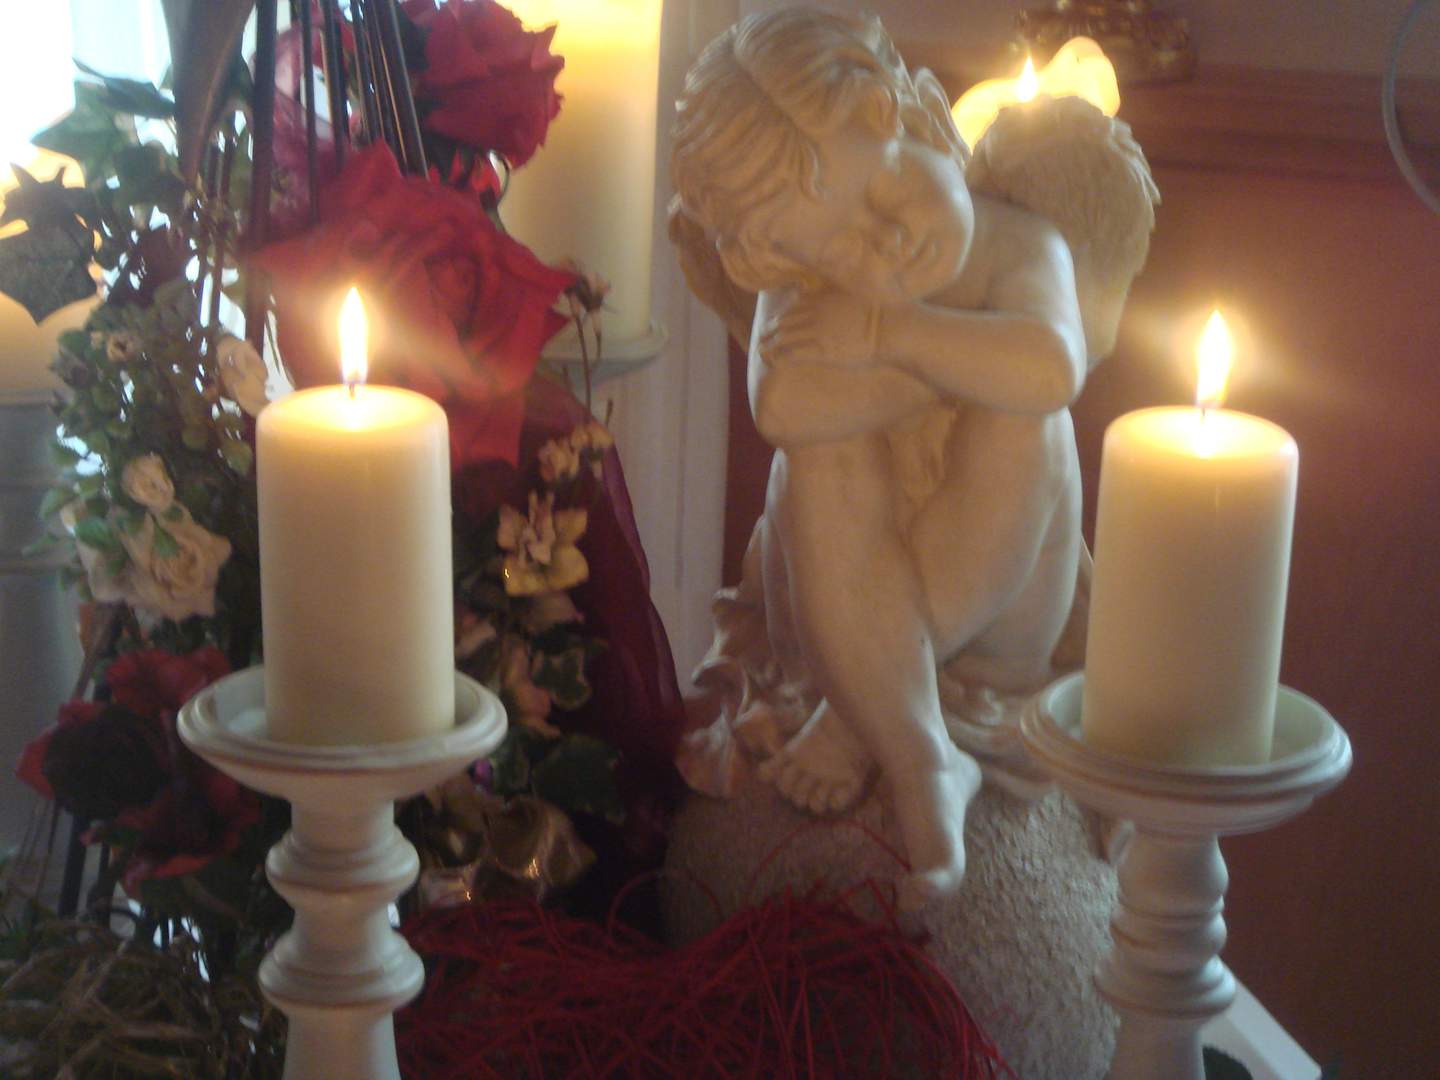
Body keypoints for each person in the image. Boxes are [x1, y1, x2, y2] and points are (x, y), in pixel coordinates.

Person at [670, 8, 1144, 909]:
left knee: (1027, 420)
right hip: (843, 602)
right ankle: (922, 754)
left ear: (893, 114)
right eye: (839, 251)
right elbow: (781, 405)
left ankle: (866, 715)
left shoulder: (1019, 243)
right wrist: (942, 368)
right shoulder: (805, 287)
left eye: (882, 202)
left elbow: (1053, 365)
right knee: (817, 456)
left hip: (1003, 622)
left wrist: (893, 336)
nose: (880, 248)